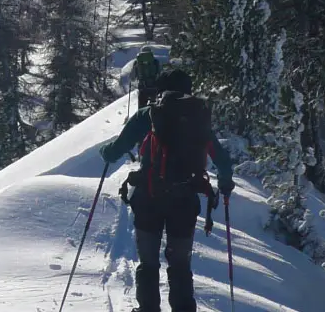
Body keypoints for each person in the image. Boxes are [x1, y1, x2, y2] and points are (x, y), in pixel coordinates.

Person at [100, 69, 235, 312]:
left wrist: (106, 152)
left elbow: (117, 148)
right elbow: (222, 159)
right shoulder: (197, 118)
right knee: (180, 263)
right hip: (184, 200)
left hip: (149, 197)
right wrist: (225, 184)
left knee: (149, 262)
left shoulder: (148, 114)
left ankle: (148, 309)